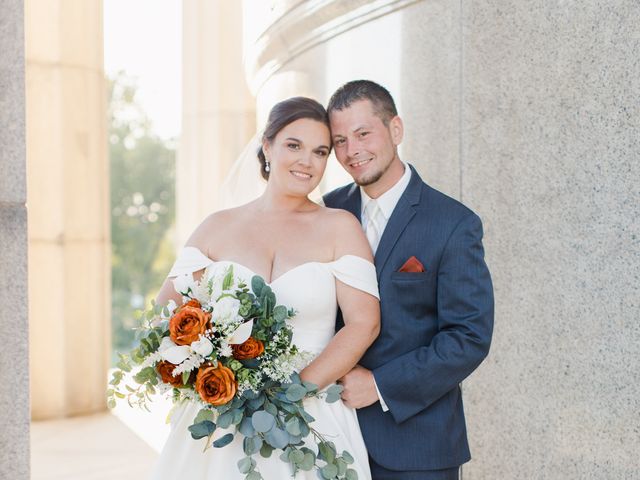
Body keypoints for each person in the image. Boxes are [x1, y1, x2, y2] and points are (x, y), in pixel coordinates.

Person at [150, 97, 380, 479]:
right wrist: (215, 370)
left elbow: (363, 324)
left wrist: (292, 393)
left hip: (311, 414)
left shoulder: (340, 227)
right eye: (294, 145)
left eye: (320, 152)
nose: (307, 161)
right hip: (222, 417)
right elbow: (165, 317)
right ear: (267, 145)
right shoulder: (216, 227)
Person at [323, 80, 494, 480]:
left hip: (418, 447)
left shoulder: (453, 223)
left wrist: (380, 386)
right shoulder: (327, 211)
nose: (353, 151)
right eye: (340, 140)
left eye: (364, 133)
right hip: (329, 438)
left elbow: (468, 336)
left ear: (395, 130)